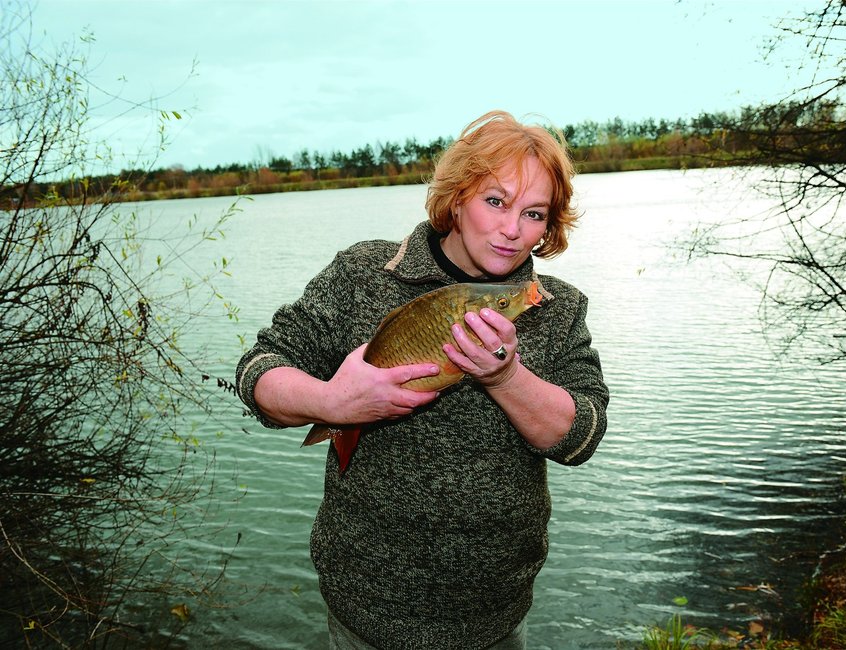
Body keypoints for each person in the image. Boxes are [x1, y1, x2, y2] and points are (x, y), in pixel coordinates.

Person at [235, 110, 609, 650]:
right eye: (495, 201)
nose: (512, 229)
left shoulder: (558, 308)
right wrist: (332, 402)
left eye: (534, 213)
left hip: (495, 613)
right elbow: (258, 368)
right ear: (457, 197)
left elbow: (583, 437)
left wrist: (506, 377)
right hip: (365, 607)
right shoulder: (362, 273)